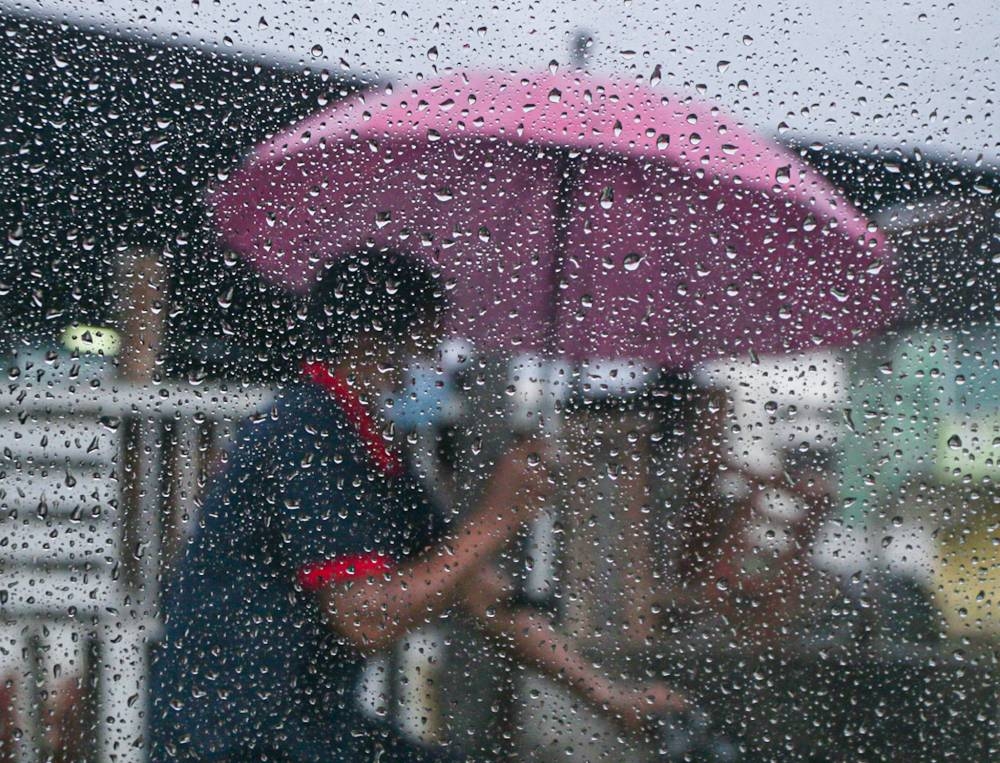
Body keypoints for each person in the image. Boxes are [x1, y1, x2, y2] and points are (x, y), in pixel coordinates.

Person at [150, 250, 683, 763]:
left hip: (307, 725)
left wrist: (609, 696)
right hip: (236, 735)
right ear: (371, 337)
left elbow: (481, 593)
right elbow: (366, 619)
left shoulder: (373, 445)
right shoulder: (309, 431)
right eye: (424, 340)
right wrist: (497, 517)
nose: (428, 363)